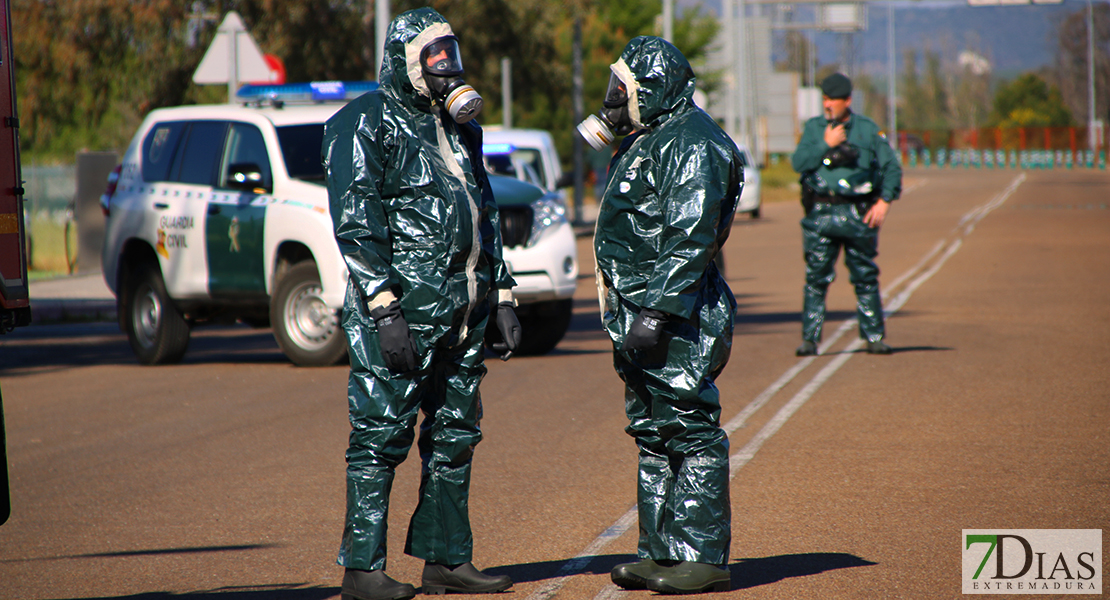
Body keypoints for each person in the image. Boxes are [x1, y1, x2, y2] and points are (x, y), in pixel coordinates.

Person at [322, 8, 519, 600]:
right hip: (402, 315)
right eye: (435, 59)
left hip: (463, 314)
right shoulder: (363, 123)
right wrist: (384, 310)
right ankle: (362, 569)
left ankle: (446, 559)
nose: (448, 70)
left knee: (457, 433)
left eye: (452, 56)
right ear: (407, 59)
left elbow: (484, 210)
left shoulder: (461, 128)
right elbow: (357, 226)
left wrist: (502, 293)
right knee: (380, 436)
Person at [580, 36, 742, 595]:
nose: (613, 98)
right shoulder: (655, 135)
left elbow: (689, 238)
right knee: (653, 432)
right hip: (640, 311)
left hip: (679, 314)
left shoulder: (694, 143)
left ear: (650, 88)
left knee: (690, 427)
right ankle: (662, 551)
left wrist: (656, 311)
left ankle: (702, 554)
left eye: (621, 88)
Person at [791, 72, 902, 357]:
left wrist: (884, 202)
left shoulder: (866, 129)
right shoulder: (815, 129)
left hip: (858, 214)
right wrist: (824, 145)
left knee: (865, 276)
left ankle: (874, 337)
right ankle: (810, 340)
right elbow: (798, 163)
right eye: (824, 99)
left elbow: (891, 166)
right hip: (821, 214)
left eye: (833, 100)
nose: (827, 105)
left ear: (847, 101)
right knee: (816, 278)